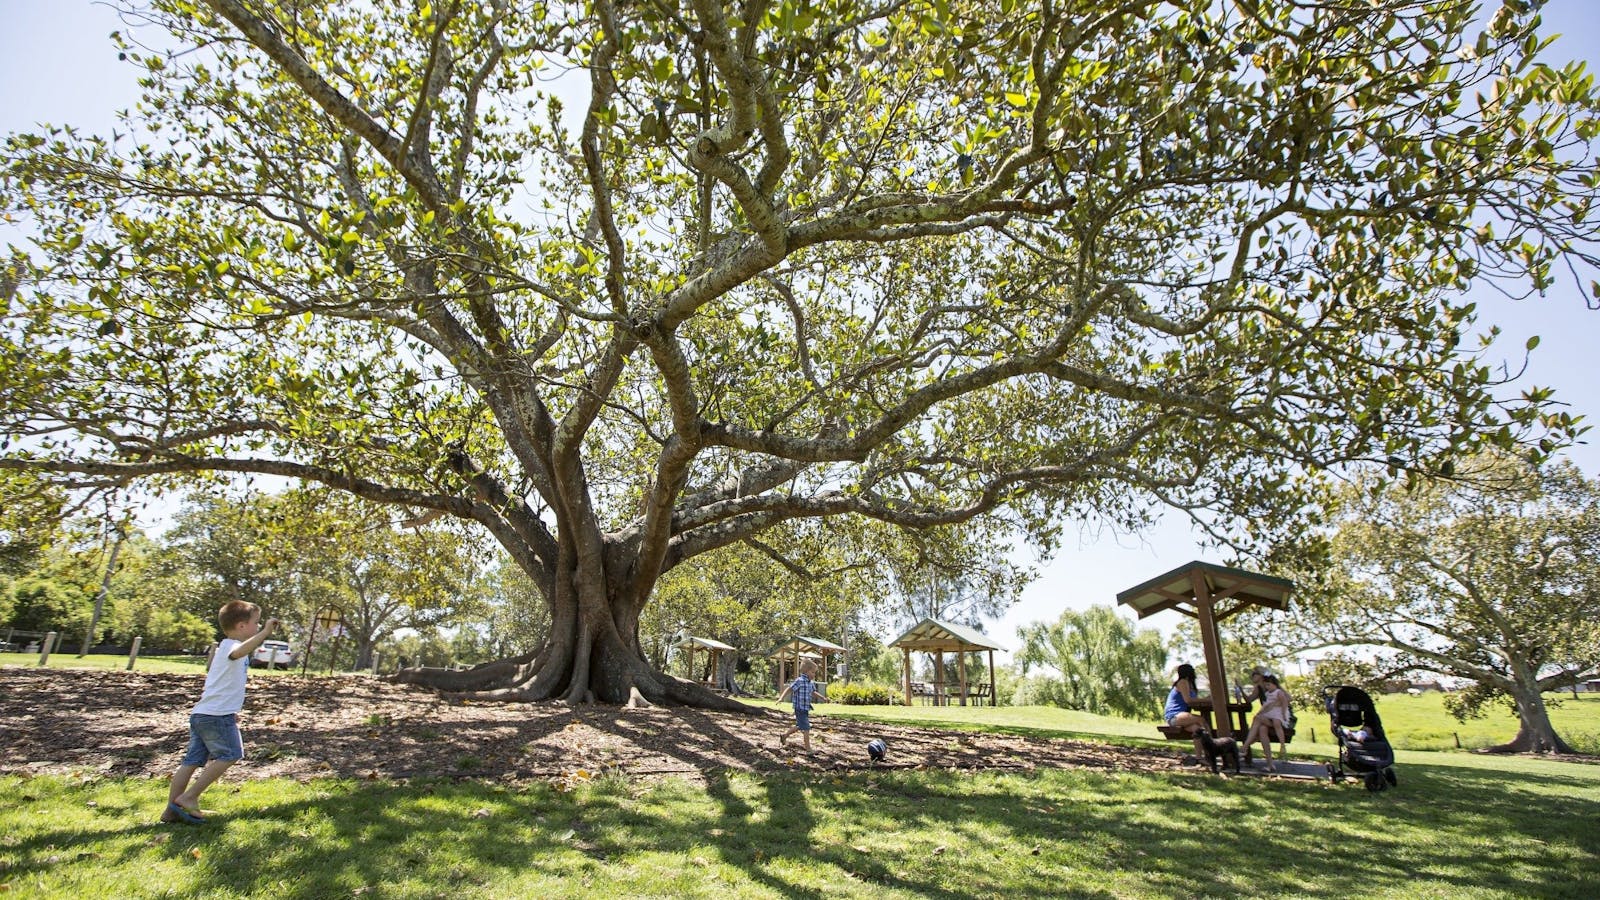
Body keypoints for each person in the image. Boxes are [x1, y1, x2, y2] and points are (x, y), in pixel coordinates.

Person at [162, 600, 279, 824]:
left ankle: (170, 811)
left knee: (191, 761)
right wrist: (265, 633)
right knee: (232, 754)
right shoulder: (230, 646)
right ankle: (189, 797)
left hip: (205, 713)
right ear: (242, 626)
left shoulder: (228, 647)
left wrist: (232, 709)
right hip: (216, 716)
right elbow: (240, 652)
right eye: (256, 623)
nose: (258, 626)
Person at [1244, 673, 1291, 772]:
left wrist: (1278, 706)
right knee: (1262, 729)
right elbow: (1252, 701)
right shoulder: (1261, 689)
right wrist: (1240, 690)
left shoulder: (1277, 689)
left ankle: (1245, 746)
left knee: (1257, 719)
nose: (1252, 676)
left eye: (1254, 674)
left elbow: (1287, 699)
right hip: (1268, 716)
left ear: (1261, 676)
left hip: (1278, 717)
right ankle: (1270, 765)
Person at [777, 658, 826, 751]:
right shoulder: (799, 681)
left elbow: (813, 692)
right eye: (813, 672)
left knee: (800, 725)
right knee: (806, 727)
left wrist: (822, 698)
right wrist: (781, 698)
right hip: (799, 708)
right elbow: (789, 689)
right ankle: (808, 749)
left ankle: (784, 736)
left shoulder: (810, 683)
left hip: (806, 708)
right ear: (807, 671)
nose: (814, 675)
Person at [1163, 663, 1208, 762]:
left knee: (1197, 729)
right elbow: (1188, 700)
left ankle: (1199, 757)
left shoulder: (1190, 684)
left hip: (1183, 717)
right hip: (1174, 716)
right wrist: (1208, 700)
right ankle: (1214, 747)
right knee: (1202, 720)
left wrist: (1204, 700)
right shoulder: (1183, 682)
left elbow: (1194, 700)